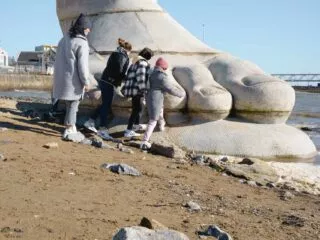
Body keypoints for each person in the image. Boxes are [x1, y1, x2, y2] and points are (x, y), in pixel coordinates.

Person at [52, 13, 92, 139]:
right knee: (73, 104)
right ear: (83, 29)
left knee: (70, 104)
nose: (89, 31)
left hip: (61, 78)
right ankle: (69, 129)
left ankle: (72, 126)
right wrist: (86, 81)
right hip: (73, 80)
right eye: (88, 28)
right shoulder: (82, 43)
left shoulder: (64, 39)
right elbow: (83, 66)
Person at [84, 38, 132, 140]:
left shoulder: (116, 54)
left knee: (105, 104)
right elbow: (119, 70)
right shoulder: (122, 56)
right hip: (109, 82)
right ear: (128, 50)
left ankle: (90, 121)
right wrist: (125, 78)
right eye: (130, 52)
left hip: (106, 80)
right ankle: (102, 129)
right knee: (106, 105)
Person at [140, 57, 185, 150]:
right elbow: (170, 88)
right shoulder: (161, 77)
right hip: (155, 99)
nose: (165, 70)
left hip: (150, 97)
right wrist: (181, 94)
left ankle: (161, 127)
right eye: (165, 68)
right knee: (153, 120)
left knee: (160, 112)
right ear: (163, 67)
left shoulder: (151, 73)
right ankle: (144, 141)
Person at [121, 47, 154, 138]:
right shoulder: (143, 63)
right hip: (137, 89)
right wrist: (144, 89)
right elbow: (141, 77)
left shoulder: (134, 62)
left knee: (137, 108)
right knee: (136, 110)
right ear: (148, 56)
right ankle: (128, 131)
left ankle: (135, 125)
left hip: (132, 89)